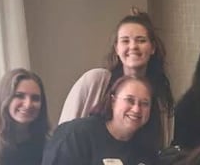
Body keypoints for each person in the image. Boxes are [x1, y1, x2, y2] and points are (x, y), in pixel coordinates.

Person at [59, 10, 175, 149]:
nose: (133, 46)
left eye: (141, 40)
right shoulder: (95, 81)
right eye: (125, 41)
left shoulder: (160, 96)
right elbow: (63, 137)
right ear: (116, 48)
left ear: (153, 48)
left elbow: (163, 146)